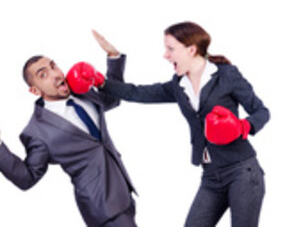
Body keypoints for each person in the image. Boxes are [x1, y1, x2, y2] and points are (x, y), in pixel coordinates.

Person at [95, 22, 269, 227]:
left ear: (191, 49)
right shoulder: (178, 86)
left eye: (170, 49)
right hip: (211, 176)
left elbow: (261, 112)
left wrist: (242, 127)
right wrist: (103, 84)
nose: (165, 55)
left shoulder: (226, 75)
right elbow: (138, 92)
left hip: (243, 171)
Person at [0, 50, 138, 226]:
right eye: (44, 74)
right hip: (102, 207)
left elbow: (112, 100)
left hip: (124, 192)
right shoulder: (37, 131)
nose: (56, 74)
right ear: (34, 90)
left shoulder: (82, 92)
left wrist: (114, 58)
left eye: (54, 66)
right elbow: (27, 177)